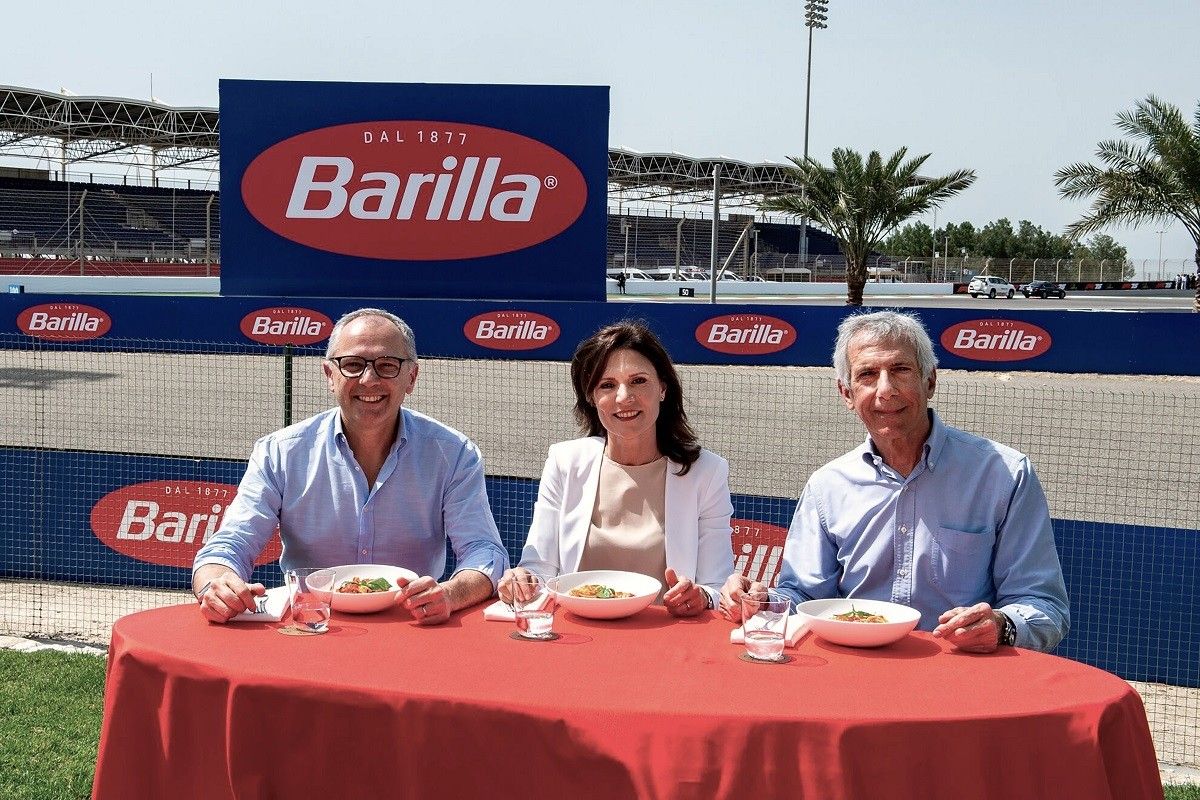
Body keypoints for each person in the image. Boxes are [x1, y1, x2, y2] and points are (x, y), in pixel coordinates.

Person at [725, 310, 1069, 653]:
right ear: (846, 393)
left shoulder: (1004, 474)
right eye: (868, 375)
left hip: (961, 677)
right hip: (855, 673)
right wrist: (763, 599)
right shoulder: (827, 486)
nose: (885, 390)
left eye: (900, 370)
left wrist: (1002, 626)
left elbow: (1043, 606)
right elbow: (803, 595)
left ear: (930, 381)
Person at [192, 308, 509, 625]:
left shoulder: (453, 454)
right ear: (330, 375)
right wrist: (216, 586)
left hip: (412, 625)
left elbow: (484, 552)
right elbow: (229, 545)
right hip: (311, 625)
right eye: (353, 365)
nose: (369, 380)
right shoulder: (280, 453)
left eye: (387, 366)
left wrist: (450, 594)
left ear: (411, 378)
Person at [498, 321, 737, 616]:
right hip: (579, 635)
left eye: (638, 381)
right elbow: (539, 570)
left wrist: (701, 596)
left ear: (663, 387)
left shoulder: (707, 471)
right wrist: (523, 581)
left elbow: (717, 585)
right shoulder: (564, 462)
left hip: (665, 638)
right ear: (591, 397)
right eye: (607, 385)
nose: (624, 397)